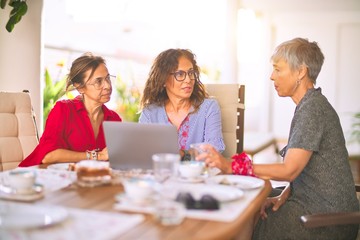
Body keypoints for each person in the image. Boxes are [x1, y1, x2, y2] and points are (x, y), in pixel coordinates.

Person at [197, 38, 359, 239]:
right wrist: (283, 196)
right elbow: (306, 170)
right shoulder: (310, 105)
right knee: (254, 203)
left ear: (301, 71)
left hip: (325, 221)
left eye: (278, 69)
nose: (272, 76)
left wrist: (232, 166)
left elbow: (290, 170)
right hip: (317, 206)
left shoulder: (312, 109)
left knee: (244, 218)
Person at [19, 52, 122, 167]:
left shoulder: (114, 119)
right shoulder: (63, 110)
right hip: (35, 178)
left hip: (84, 181)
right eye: (99, 81)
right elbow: (49, 156)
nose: (107, 86)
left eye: (107, 78)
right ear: (80, 87)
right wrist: (97, 156)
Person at [139, 48, 225, 160]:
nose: (188, 80)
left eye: (191, 73)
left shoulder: (209, 108)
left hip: (197, 176)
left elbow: (215, 149)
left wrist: (184, 154)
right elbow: (142, 150)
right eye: (180, 74)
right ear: (163, 80)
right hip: (161, 174)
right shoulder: (150, 113)